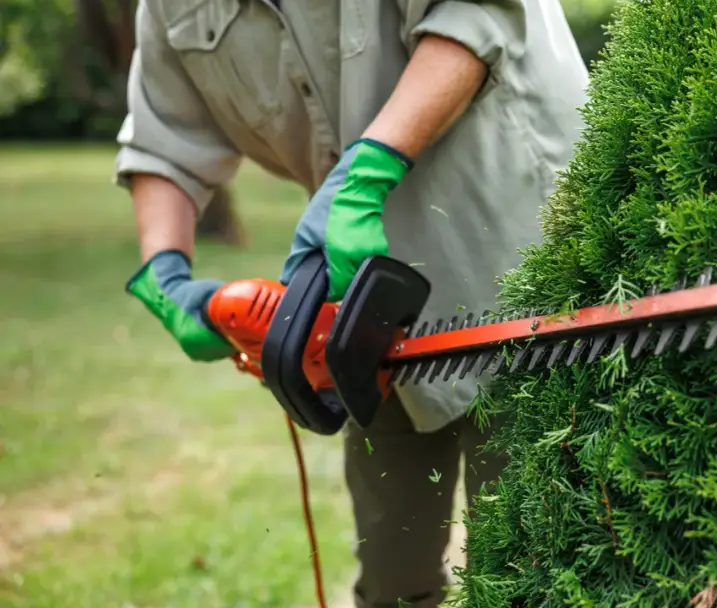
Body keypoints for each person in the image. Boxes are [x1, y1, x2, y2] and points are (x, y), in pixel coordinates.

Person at [114, 1, 589, 606]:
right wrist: (166, 276)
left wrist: (366, 169)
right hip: (366, 292)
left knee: (536, 569)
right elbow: (163, 145)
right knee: (392, 569)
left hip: (523, 245)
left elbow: (472, 11)